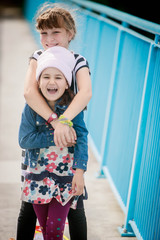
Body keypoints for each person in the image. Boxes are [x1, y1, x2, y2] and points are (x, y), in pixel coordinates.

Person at [16, 3, 92, 240]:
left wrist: (65, 122)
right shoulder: (38, 57)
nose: (49, 39)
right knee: (29, 205)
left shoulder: (78, 60)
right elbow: (29, 92)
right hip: (39, 142)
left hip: (67, 149)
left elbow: (85, 93)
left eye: (55, 32)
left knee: (74, 206)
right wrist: (55, 123)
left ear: (70, 34)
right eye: (43, 33)